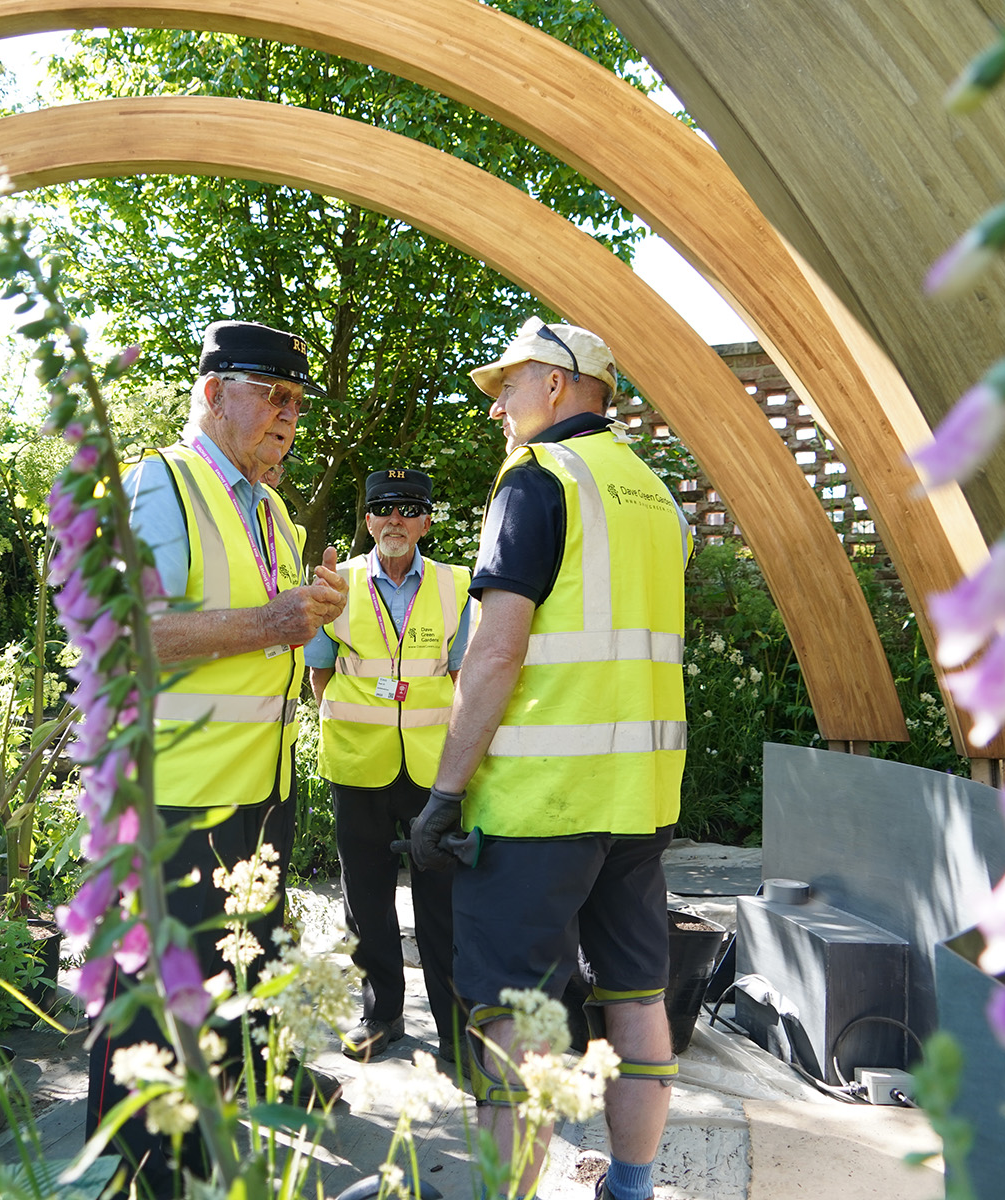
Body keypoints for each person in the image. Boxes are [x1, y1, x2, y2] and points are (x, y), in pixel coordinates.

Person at [401, 317, 693, 1200]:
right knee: (637, 999)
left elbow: (496, 652)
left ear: (559, 386)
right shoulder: (655, 492)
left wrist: (443, 793)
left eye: (510, 386)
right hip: (636, 802)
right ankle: (632, 1188)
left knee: (516, 1029)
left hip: (535, 808)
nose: (498, 407)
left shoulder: (539, 479)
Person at [86, 320, 348, 1194]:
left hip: (257, 803)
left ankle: (203, 1163)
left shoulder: (270, 507)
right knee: (154, 1023)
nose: (288, 417)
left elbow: (273, 633)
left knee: (230, 996)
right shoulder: (157, 486)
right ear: (212, 393)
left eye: (297, 404)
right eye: (272, 395)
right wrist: (271, 623)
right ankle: (137, 1180)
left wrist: (315, 608)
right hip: (175, 805)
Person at [305, 468, 473, 1062]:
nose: (395, 519)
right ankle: (381, 1015)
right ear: (369, 519)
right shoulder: (337, 583)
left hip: (434, 770)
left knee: (443, 899)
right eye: (383, 508)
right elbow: (319, 671)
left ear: (427, 520)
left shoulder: (458, 584)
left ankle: (455, 1024)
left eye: (408, 508)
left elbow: (464, 679)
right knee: (365, 897)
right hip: (358, 765)